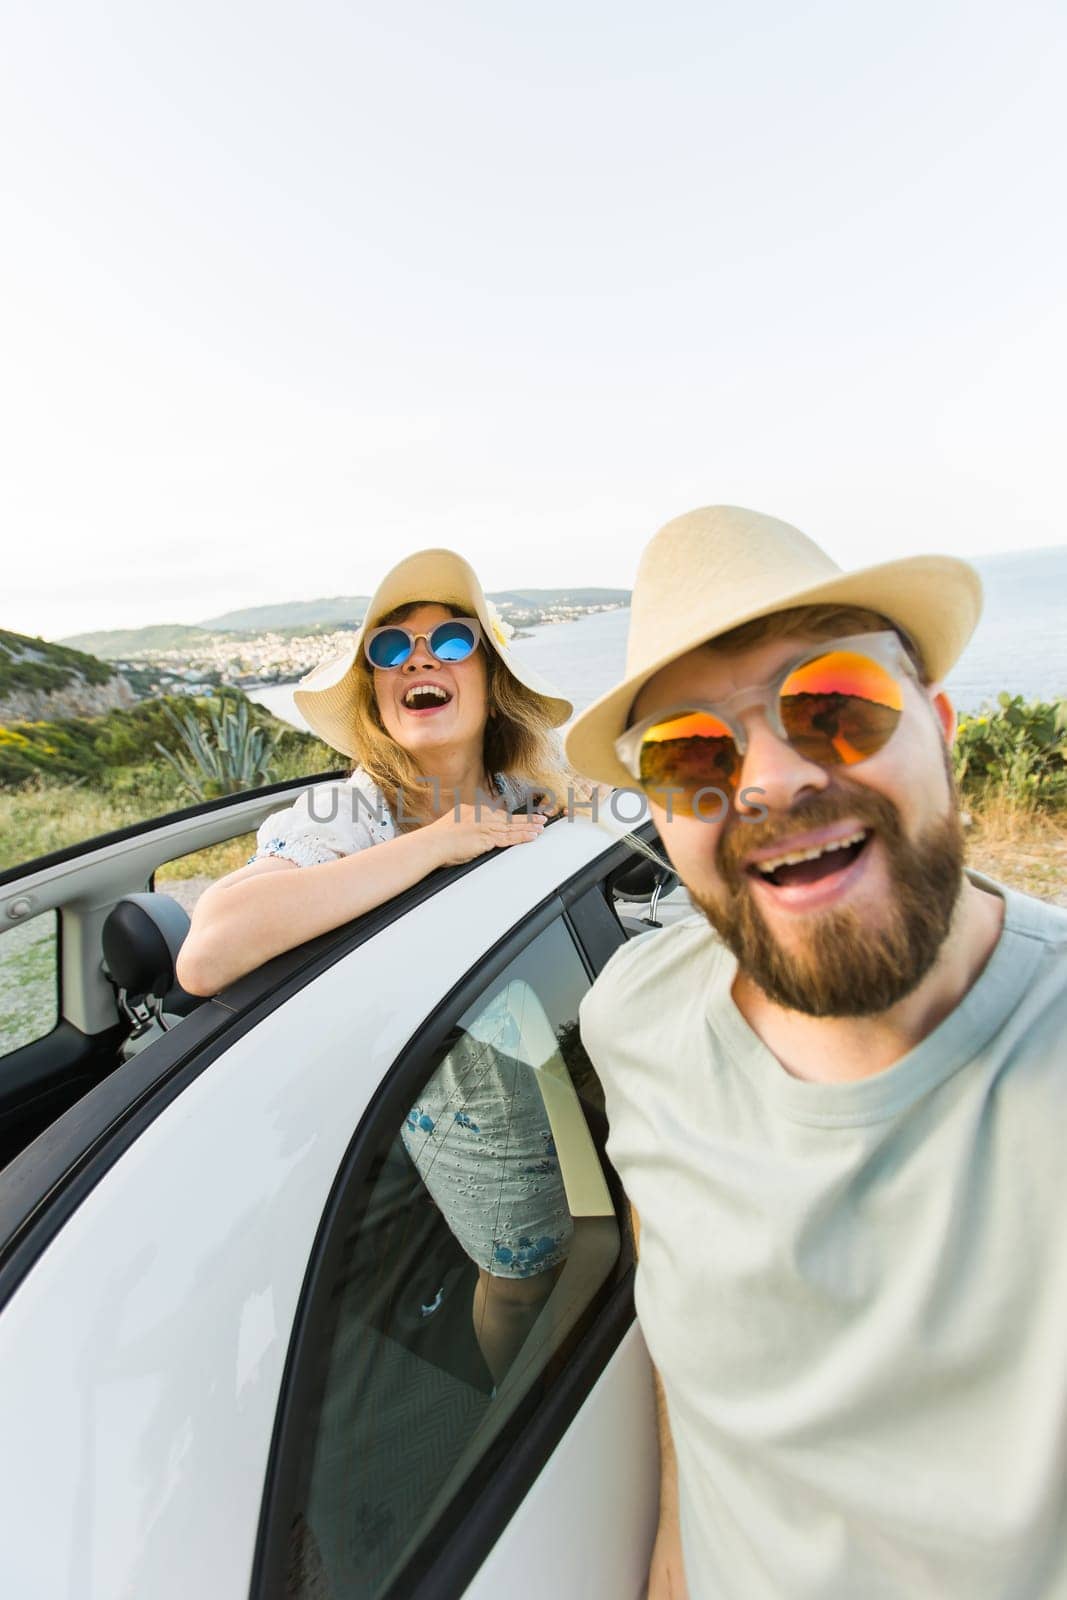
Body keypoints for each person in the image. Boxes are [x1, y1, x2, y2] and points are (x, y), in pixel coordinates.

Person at [566, 505, 1067, 1600]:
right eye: (691, 752)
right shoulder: (631, 1024)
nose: (768, 781)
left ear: (940, 728)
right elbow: (679, 1305)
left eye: (834, 705)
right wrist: (671, 1553)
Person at [178, 547, 576, 1380]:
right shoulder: (349, 810)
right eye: (389, 650)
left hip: (554, 1043)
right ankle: (517, 1412)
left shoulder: (522, 791)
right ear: (377, 696)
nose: (419, 658)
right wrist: (438, 844)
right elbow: (210, 950)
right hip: (465, 1095)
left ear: (489, 676)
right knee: (522, 1281)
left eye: (451, 641)